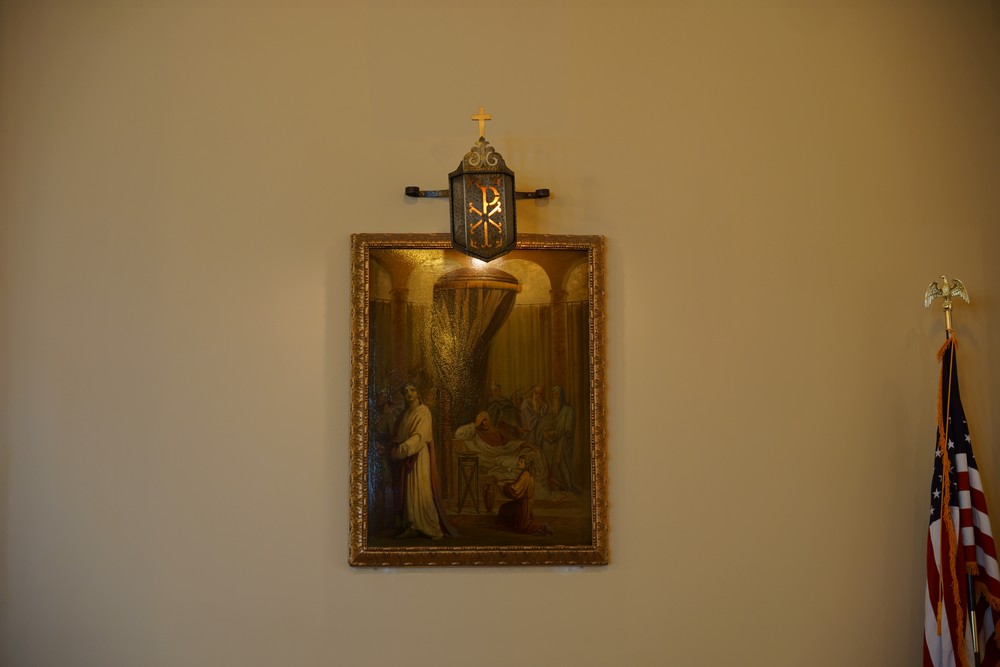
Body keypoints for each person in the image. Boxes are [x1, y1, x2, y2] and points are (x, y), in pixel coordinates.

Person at [389, 382, 457, 539]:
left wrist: (401, 451)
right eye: (406, 391)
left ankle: (429, 526)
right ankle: (411, 524)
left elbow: (419, 437)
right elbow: (399, 436)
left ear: (418, 393)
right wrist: (397, 448)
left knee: (420, 490)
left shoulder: (424, 411)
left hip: (419, 456)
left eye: (412, 390)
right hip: (407, 457)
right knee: (409, 492)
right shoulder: (405, 414)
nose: (409, 393)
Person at [535, 385, 577, 494]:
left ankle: (567, 485)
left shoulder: (568, 410)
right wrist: (545, 432)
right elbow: (549, 423)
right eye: (553, 394)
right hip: (555, 441)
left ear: (561, 396)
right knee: (546, 451)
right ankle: (555, 483)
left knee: (560, 459)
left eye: (556, 394)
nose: (554, 397)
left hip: (564, 443)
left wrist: (553, 433)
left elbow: (568, 429)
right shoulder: (555, 412)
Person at [497, 456, 551, 535]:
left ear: (526, 464)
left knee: (522, 526)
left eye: (521, 461)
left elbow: (515, 489)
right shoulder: (528, 474)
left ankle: (541, 527)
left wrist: (504, 486)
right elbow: (518, 485)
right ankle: (540, 529)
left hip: (523, 504)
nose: (518, 463)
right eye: (519, 461)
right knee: (506, 509)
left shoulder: (525, 475)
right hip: (524, 502)